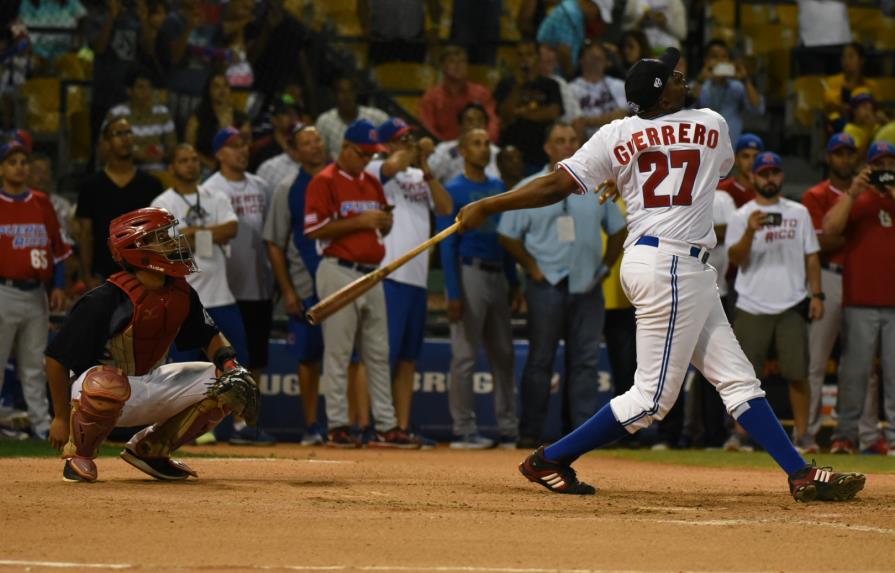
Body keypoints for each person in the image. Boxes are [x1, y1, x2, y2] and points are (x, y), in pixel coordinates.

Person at [456, 47, 865, 502]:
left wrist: (489, 204)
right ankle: (549, 459)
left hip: (665, 263)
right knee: (651, 399)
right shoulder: (712, 123)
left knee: (737, 379)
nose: (680, 76)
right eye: (671, 77)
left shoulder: (614, 134)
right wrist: (631, 173)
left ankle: (800, 473)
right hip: (671, 265)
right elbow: (704, 169)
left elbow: (557, 184)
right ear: (662, 97)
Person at [45, 207, 259, 483]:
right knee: (107, 382)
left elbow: (210, 337)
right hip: (98, 393)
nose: (173, 241)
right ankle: (80, 455)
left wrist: (233, 368)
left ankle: (151, 450)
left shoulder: (181, 291)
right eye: (162, 237)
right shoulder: (104, 300)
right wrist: (60, 418)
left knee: (228, 381)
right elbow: (55, 359)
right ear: (137, 248)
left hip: (150, 382)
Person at [498, 122, 626, 446]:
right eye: (559, 141)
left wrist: (606, 267)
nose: (567, 146)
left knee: (585, 362)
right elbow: (506, 233)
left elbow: (618, 229)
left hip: (588, 284)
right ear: (547, 148)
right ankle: (530, 433)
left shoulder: (598, 186)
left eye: (572, 140)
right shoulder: (531, 186)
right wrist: (531, 268)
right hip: (546, 285)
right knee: (540, 360)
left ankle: (581, 434)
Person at [304, 119, 418, 449]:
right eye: (363, 153)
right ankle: (338, 425)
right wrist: (362, 221)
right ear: (345, 148)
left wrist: (383, 222)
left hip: (371, 272)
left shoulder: (370, 181)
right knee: (339, 353)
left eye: (372, 155)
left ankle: (386, 426)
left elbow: (378, 224)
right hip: (337, 269)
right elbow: (313, 229)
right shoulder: (323, 181)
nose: (368, 160)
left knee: (379, 353)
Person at [725, 152, 823, 450]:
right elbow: (735, 260)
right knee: (744, 378)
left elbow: (812, 257)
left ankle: (803, 435)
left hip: (791, 303)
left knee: (797, 374)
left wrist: (817, 295)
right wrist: (751, 232)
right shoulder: (742, 215)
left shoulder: (799, 212)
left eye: (775, 172)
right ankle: (741, 435)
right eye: (764, 173)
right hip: (752, 304)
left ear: (781, 176)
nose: (770, 178)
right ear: (753, 177)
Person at [367, 118, 453, 441]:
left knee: (407, 359)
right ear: (388, 144)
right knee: (382, 356)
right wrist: (413, 150)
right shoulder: (376, 170)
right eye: (401, 140)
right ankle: (379, 425)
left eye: (410, 139)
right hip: (389, 273)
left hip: (416, 278)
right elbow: (393, 164)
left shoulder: (419, 175)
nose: (408, 145)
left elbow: (445, 207)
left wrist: (427, 167)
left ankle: (400, 427)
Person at [438, 128, 521, 449]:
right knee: (465, 355)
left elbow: (506, 238)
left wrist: (514, 282)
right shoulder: (454, 189)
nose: (483, 148)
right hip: (468, 269)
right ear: (461, 151)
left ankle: (508, 428)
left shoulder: (499, 188)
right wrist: (453, 292)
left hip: (498, 272)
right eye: (475, 143)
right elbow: (446, 246)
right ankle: (463, 428)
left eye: (486, 143)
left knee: (504, 354)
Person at [801, 133, 882, 454]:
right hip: (829, 279)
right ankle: (807, 434)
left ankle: (866, 435)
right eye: (839, 153)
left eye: (850, 153)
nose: (845, 159)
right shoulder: (816, 195)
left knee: (865, 366)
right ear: (829, 157)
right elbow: (820, 243)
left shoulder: (873, 195)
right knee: (816, 362)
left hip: (862, 281)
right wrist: (855, 234)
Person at [203, 127, 276, 445]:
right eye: (234, 146)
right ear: (219, 152)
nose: (242, 150)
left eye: (244, 145)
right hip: (225, 289)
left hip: (258, 285)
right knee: (223, 359)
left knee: (254, 358)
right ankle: (217, 423)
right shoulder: (210, 189)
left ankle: (247, 423)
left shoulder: (260, 186)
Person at [149, 144, 249, 370]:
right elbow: (168, 245)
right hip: (185, 301)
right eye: (183, 160)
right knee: (184, 373)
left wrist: (189, 233)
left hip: (222, 298)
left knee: (237, 368)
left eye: (194, 159)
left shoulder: (216, 196)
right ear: (171, 167)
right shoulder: (163, 203)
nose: (191, 164)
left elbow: (231, 229)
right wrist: (211, 233)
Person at [823, 141, 895, 455]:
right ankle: (845, 435)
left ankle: (893, 437)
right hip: (860, 298)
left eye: (890, 165)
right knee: (854, 373)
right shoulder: (858, 198)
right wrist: (853, 192)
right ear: (868, 168)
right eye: (879, 166)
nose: (885, 171)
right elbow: (829, 229)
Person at [262, 124, 330, 446]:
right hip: (305, 283)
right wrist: (287, 290)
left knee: (349, 356)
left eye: (317, 139)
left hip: (342, 279)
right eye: (307, 142)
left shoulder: (340, 181)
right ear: (295, 151)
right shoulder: (287, 188)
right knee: (308, 357)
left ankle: (347, 425)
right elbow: (274, 242)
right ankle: (313, 424)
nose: (315, 146)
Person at [0, 141, 71, 440]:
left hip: (36, 293)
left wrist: (57, 286)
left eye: (23, 161)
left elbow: (59, 252)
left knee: (34, 364)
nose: (20, 167)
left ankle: (43, 425)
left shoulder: (42, 202)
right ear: (1, 168)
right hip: (3, 290)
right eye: (13, 161)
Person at [75, 115, 163, 288]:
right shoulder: (91, 186)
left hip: (144, 275)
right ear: (106, 143)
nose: (125, 138)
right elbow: (85, 235)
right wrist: (86, 275)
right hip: (104, 276)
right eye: (118, 134)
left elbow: (158, 235)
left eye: (128, 133)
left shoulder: (151, 184)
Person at [495, 41, 564, 174]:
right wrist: (519, 85)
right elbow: (505, 115)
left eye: (529, 55)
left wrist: (520, 113)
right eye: (520, 55)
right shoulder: (506, 84)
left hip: (541, 155)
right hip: (511, 155)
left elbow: (552, 113)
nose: (524, 59)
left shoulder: (551, 84)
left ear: (538, 58)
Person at [419, 46, 500, 143]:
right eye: (452, 61)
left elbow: (493, 123)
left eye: (462, 61)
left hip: (477, 150)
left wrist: (484, 143)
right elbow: (427, 129)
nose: (458, 66)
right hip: (442, 152)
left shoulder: (481, 93)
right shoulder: (431, 97)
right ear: (442, 66)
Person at [105, 67, 177, 174]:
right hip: (125, 170)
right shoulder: (116, 114)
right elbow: (106, 150)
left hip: (157, 171)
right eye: (140, 87)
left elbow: (172, 148)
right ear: (129, 91)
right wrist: (135, 154)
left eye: (149, 87)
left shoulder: (162, 112)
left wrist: (163, 154)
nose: (146, 92)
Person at [693, 40, 764, 147]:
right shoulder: (699, 86)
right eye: (715, 57)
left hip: (731, 149)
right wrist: (700, 81)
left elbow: (758, 108)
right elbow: (687, 110)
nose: (720, 61)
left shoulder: (738, 87)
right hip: (703, 149)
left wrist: (745, 80)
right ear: (706, 61)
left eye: (724, 57)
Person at [185, 72, 248, 174]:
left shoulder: (241, 118)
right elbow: (189, 148)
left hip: (235, 166)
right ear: (208, 91)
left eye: (225, 86)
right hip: (205, 167)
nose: (222, 91)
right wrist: (210, 164)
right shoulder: (197, 118)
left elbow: (247, 145)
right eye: (216, 86)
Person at [315, 76, 389, 161]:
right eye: (341, 92)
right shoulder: (324, 121)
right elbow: (321, 154)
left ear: (356, 93)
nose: (347, 96)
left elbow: (392, 145)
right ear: (334, 95)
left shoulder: (378, 117)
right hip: (339, 171)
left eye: (351, 91)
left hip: (373, 169)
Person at [428, 103, 501, 185]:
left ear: (486, 125)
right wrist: (452, 153)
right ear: (461, 124)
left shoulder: (495, 152)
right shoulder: (444, 149)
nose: (476, 124)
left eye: (480, 120)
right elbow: (430, 176)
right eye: (470, 120)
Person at [570, 40, 628, 140]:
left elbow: (622, 115)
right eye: (592, 57)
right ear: (581, 60)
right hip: (588, 144)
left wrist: (588, 121)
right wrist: (608, 118)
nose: (596, 60)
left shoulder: (618, 85)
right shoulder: (571, 89)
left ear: (607, 62)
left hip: (617, 140)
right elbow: (577, 123)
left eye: (599, 58)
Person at [535, 0, 605, 79]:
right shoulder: (571, 13)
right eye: (598, 14)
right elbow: (564, 50)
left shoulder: (576, 13)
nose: (596, 17)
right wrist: (571, 75)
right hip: (551, 75)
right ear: (591, 4)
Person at [357, 0, 441, 64]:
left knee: (413, 80)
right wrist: (365, 27)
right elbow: (362, 4)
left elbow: (434, 5)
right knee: (380, 82)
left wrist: (435, 27)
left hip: (414, 41)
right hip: (381, 41)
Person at [250, 96, 301, 173]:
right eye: (286, 113)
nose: (292, 117)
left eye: (294, 113)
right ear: (274, 119)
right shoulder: (261, 147)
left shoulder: (302, 145)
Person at [717, 133, 762, 208]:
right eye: (745, 156)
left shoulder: (768, 192)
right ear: (736, 160)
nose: (751, 162)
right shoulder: (722, 190)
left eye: (756, 156)